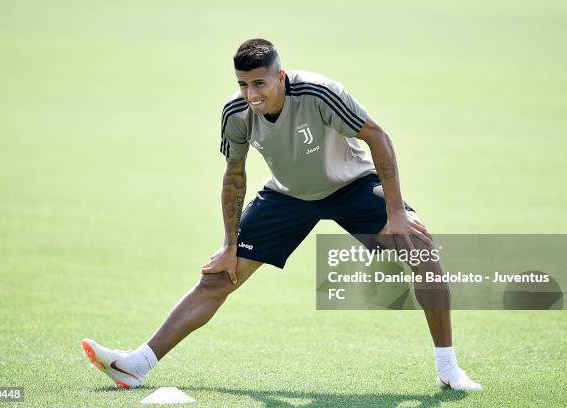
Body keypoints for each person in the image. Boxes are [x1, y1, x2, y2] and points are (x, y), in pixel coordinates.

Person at [81, 38, 482, 392]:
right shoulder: (236, 114)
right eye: (242, 83)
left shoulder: (320, 93)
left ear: (280, 77)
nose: (251, 93)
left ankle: (448, 369)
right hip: (288, 196)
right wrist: (228, 244)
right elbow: (233, 175)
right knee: (220, 275)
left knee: (423, 252)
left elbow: (377, 135)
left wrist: (396, 211)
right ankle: (137, 365)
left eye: (259, 83)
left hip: (351, 185)